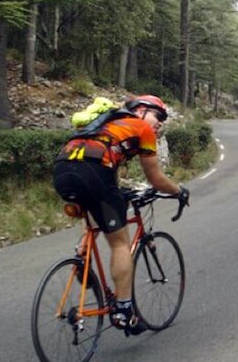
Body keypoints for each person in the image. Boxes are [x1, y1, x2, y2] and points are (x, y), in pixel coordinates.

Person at [53, 94, 189, 336]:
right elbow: (155, 179)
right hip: (95, 171)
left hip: (63, 169)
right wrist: (179, 191)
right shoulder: (140, 129)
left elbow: (104, 168)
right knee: (120, 244)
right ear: (141, 111)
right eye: (158, 116)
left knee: (99, 211)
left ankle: (82, 256)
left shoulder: (105, 123)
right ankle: (124, 311)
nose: (159, 123)